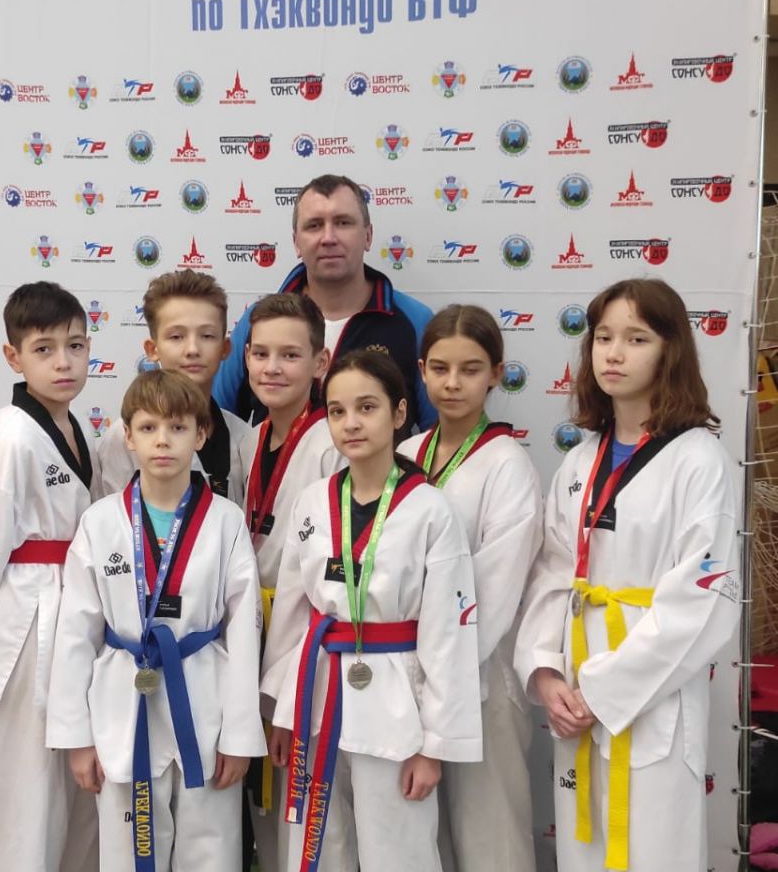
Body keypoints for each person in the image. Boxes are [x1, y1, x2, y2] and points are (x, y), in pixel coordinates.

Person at [514, 278, 742, 872]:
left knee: (654, 851)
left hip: (649, 699)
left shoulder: (698, 460)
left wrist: (604, 691)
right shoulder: (579, 461)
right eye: (604, 337)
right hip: (574, 688)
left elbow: (701, 601)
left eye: (636, 339)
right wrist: (545, 671)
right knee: (582, 851)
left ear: (670, 351)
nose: (614, 353)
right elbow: (552, 573)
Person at [263, 349, 482, 872]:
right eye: (337, 411)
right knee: (319, 842)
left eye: (367, 407)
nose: (351, 423)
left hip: (396, 696)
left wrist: (435, 746)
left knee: (398, 850)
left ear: (399, 412)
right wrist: (283, 711)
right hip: (317, 688)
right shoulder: (313, 501)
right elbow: (292, 610)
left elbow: (448, 635)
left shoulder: (430, 509)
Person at [47, 370, 266, 871]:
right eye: (148, 428)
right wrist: (77, 737)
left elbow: (243, 632)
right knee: (127, 853)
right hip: (123, 706)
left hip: (205, 704)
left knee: (211, 855)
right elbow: (76, 632)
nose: (162, 440)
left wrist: (239, 735)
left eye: (177, 427)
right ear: (127, 436)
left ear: (201, 435)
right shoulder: (100, 521)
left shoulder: (226, 520)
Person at [0, 282, 98, 872]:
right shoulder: (10, 435)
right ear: (13, 358)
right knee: (27, 790)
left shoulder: (72, 428)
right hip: (26, 624)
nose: (63, 362)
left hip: (72, 609)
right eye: (44, 349)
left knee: (76, 787)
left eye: (75, 346)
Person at [398, 305, 541, 872]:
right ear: (421, 371)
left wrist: (439, 674)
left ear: (496, 374)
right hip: (408, 675)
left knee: (491, 837)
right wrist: (411, 672)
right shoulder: (405, 454)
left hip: (480, 678)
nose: (452, 383)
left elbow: (495, 591)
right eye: (439, 368)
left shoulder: (508, 465)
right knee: (419, 839)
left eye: (470, 369)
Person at [234, 292, 344, 871]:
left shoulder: (332, 443)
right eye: (261, 354)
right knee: (266, 806)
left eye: (290, 355)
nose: (272, 368)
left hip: (306, 642)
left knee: (308, 809)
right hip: (254, 629)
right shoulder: (251, 440)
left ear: (321, 363)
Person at [213, 173, 435, 433]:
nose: (328, 238)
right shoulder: (258, 322)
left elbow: (441, 436)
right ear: (296, 242)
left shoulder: (415, 321)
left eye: (343, 223)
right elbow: (216, 424)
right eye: (314, 225)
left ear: (368, 235)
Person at [96, 270, 251, 502]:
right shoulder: (124, 437)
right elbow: (112, 518)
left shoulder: (244, 437)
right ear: (152, 349)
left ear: (225, 348)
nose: (192, 349)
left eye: (207, 336)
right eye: (177, 337)